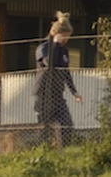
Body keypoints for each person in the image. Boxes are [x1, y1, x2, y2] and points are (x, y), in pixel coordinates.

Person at [35, 11, 82, 144]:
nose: (66, 40)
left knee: (67, 126)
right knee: (45, 129)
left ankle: (63, 150)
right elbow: (49, 63)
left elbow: (65, 72)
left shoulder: (64, 51)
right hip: (44, 94)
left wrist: (74, 91)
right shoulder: (43, 48)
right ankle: (45, 150)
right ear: (55, 34)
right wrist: (54, 44)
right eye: (64, 36)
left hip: (58, 95)